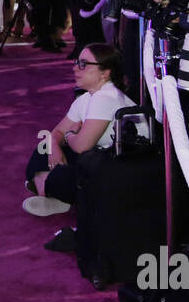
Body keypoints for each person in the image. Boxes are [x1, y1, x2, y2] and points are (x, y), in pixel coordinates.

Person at [23, 44, 134, 254]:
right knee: (43, 148)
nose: (75, 68)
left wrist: (69, 136)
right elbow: (54, 133)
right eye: (77, 63)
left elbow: (82, 146)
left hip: (117, 171)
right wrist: (56, 145)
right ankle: (52, 190)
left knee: (48, 169)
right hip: (100, 160)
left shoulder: (106, 97)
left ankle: (48, 188)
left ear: (105, 72)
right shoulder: (87, 98)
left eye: (83, 64)